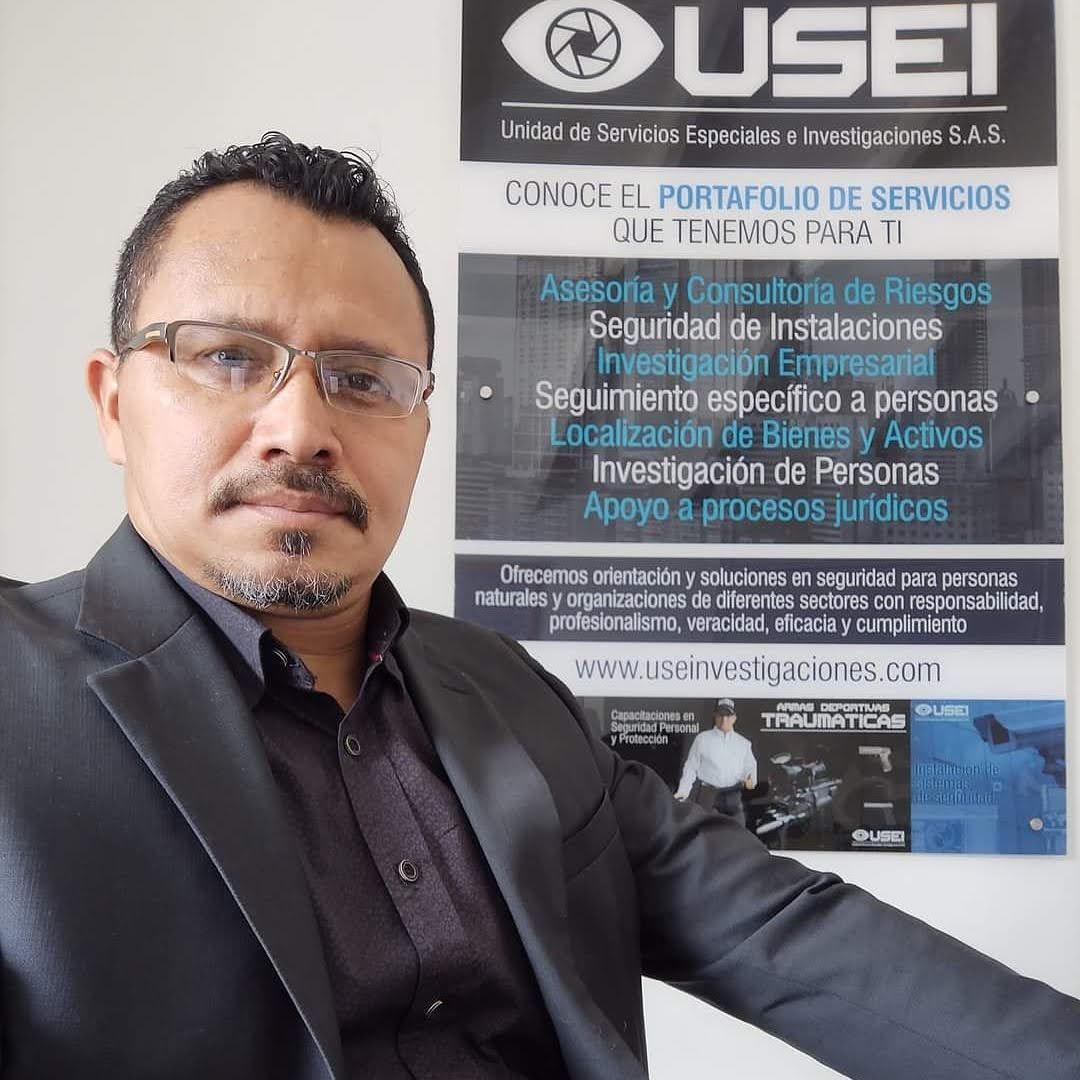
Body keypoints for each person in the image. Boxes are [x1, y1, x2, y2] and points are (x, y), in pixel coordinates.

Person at [1, 133, 1078, 1080]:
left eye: (364, 379)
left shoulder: (507, 691)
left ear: (423, 426)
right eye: (230, 357)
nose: (301, 428)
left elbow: (784, 935)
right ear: (113, 402)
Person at [673, 698, 756, 826]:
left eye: (728, 716)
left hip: (733, 795)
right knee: (705, 832)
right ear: (715, 716)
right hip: (708, 795)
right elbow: (691, 767)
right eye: (720, 715)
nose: (724, 719)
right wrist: (683, 791)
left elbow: (750, 767)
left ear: (734, 718)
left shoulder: (743, 743)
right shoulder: (702, 739)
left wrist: (751, 779)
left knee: (739, 833)